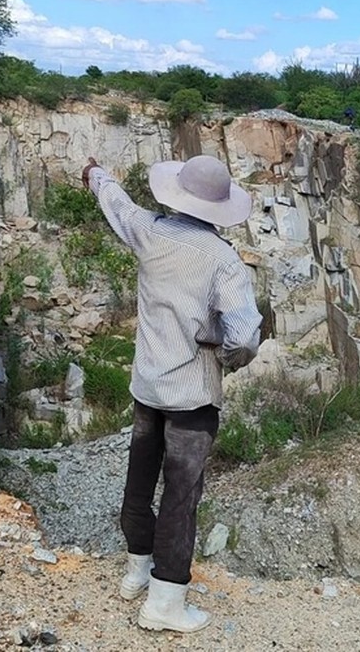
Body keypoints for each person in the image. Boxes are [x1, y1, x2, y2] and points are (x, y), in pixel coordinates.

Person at [81, 154, 262, 633]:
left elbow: (115, 203)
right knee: (181, 495)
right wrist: (221, 354)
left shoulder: (148, 231)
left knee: (139, 482)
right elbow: (245, 337)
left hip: (148, 386)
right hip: (192, 399)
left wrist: (95, 175)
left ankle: (137, 570)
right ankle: (165, 602)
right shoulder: (223, 261)